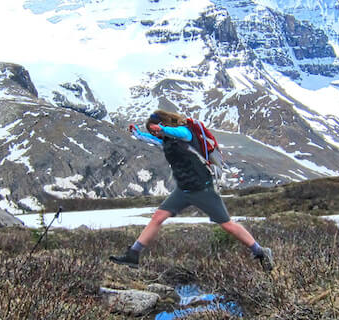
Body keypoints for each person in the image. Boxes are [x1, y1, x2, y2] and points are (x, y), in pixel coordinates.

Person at [109, 110, 274, 271]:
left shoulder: (185, 133)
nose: (156, 133)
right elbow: (152, 139)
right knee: (158, 217)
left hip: (202, 189)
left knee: (227, 224)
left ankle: (260, 251)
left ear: (163, 123)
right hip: (184, 189)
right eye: (153, 130)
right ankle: (133, 254)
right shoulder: (165, 140)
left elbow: (179, 132)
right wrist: (137, 133)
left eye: (155, 128)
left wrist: (163, 129)